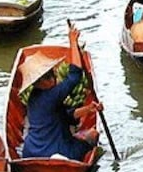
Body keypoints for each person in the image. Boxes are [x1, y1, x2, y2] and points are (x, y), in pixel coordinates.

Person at [19, 22, 102, 160]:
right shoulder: (51, 95)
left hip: (31, 151)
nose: (56, 78)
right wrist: (72, 42)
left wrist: (89, 109)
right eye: (52, 76)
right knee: (93, 135)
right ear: (42, 81)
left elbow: (67, 116)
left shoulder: (34, 96)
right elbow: (74, 75)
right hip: (57, 151)